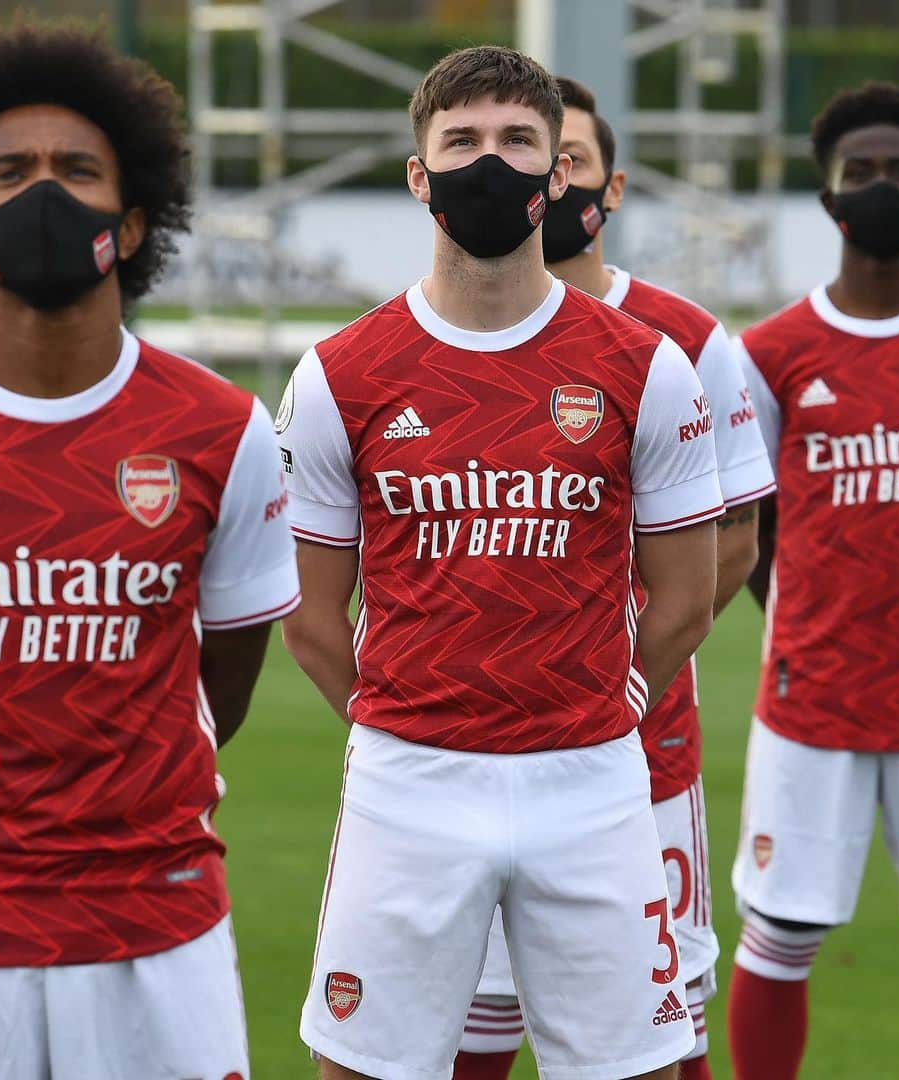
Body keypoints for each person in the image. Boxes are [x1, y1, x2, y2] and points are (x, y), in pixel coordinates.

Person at [280, 45, 726, 1080]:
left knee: (639, 1068)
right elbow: (310, 620)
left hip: (592, 776)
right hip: (410, 781)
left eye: (519, 141)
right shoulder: (340, 373)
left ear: (557, 174)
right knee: (362, 1069)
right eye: (463, 142)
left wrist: (602, 705)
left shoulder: (643, 364)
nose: (493, 162)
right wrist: (408, 726)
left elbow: (688, 599)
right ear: (417, 173)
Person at [0, 22, 299, 1079]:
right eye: (10, 173)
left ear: (130, 219)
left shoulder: (222, 428)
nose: (45, 194)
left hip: (154, 919)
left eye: (77, 171)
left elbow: (230, 670)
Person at [454, 76, 775, 1080]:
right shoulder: (430, 340)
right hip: (465, 749)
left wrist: (623, 667)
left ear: (603, 185)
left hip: (640, 743)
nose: (530, 177)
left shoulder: (690, 340)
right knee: (467, 1026)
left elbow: (734, 541)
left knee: (660, 1028)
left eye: (563, 158)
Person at [726, 82, 899, 1080]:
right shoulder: (768, 355)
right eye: (856, 173)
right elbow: (750, 534)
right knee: (778, 940)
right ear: (826, 197)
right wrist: (817, 615)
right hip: (813, 700)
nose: (879, 188)